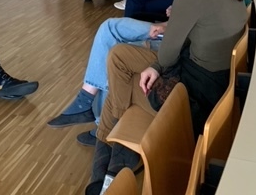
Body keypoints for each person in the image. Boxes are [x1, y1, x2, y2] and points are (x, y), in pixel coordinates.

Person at [85, 0, 250, 194]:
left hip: (192, 99)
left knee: (118, 91)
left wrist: (157, 65)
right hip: (212, 84)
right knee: (118, 56)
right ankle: (113, 164)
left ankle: (108, 166)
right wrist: (158, 63)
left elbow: (169, 54)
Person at [46, 12, 168, 145]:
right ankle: (86, 103)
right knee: (108, 28)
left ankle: (94, 114)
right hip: (170, 31)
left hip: (172, 43)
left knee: (114, 51)